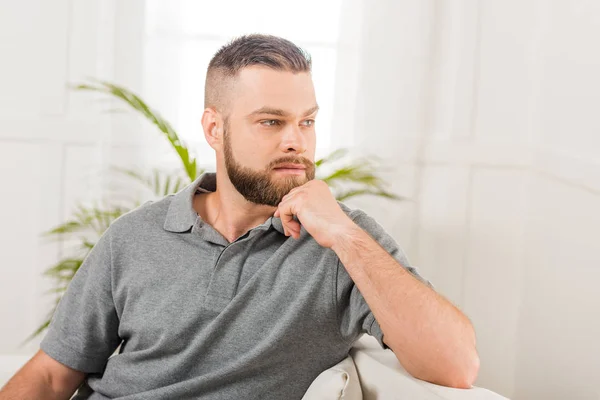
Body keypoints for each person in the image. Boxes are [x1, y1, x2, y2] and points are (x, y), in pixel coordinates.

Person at [0, 34, 479, 400]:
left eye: (307, 121)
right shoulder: (132, 237)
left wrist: (343, 235)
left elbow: (456, 365)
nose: (297, 141)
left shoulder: (342, 242)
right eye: (272, 121)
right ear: (214, 128)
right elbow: (50, 375)